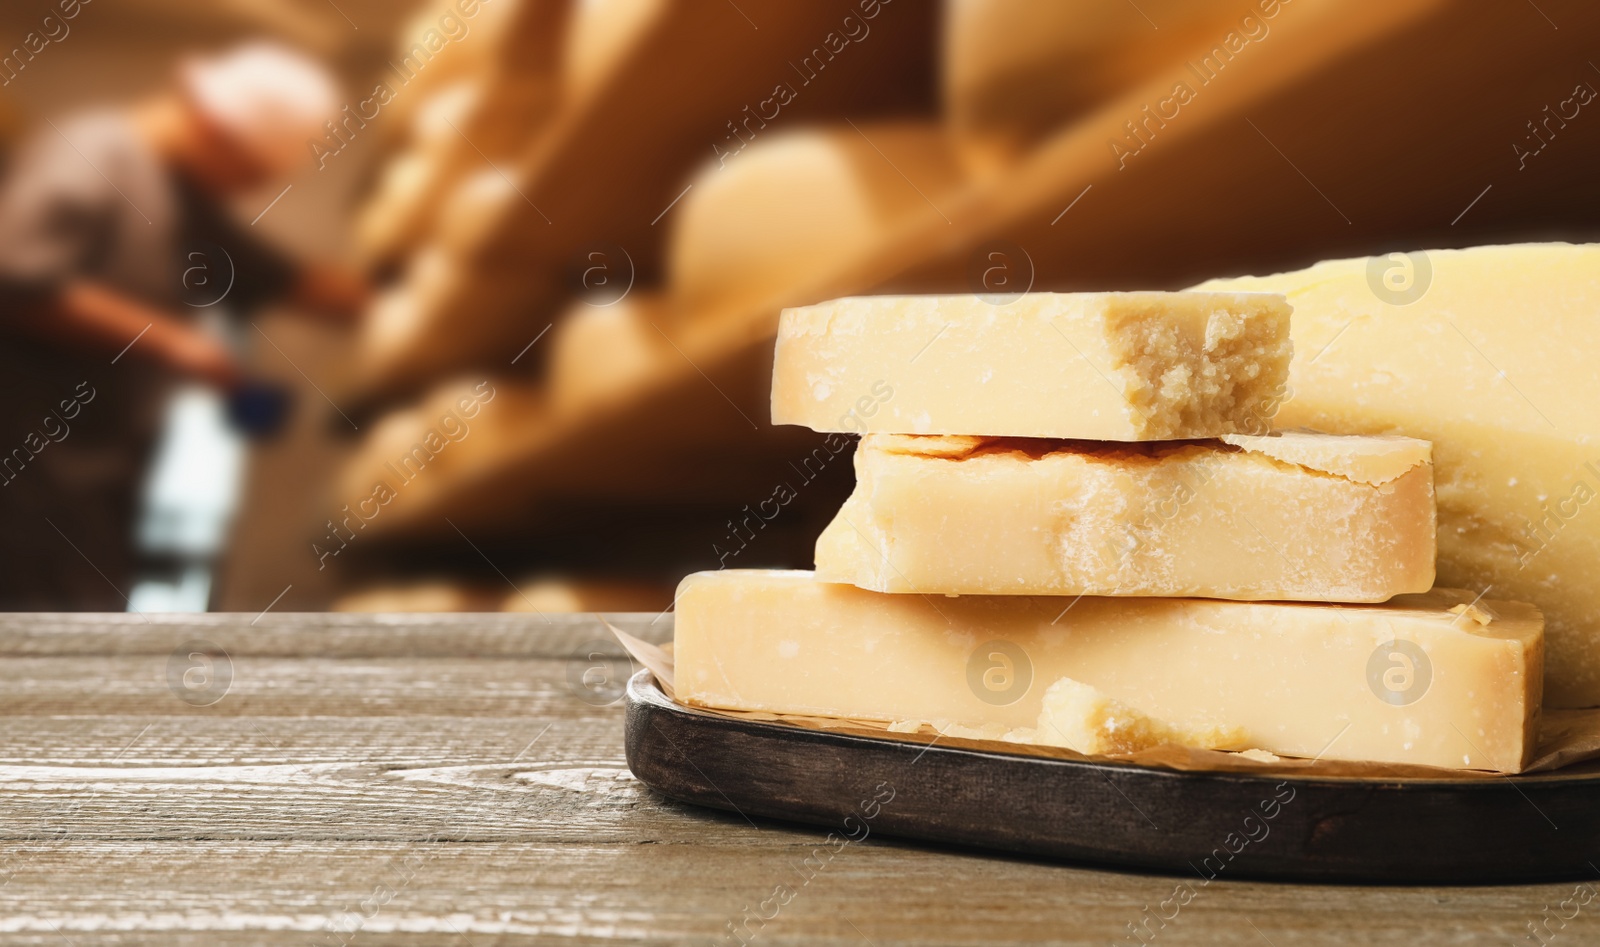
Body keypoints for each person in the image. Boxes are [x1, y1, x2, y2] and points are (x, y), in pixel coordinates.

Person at [0, 42, 369, 610]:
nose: (247, 192)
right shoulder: (91, 154)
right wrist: (174, 344)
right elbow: (16, 280)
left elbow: (287, 279)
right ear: (214, 127)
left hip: (96, 473)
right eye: (249, 173)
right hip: (29, 472)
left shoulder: (178, 193)